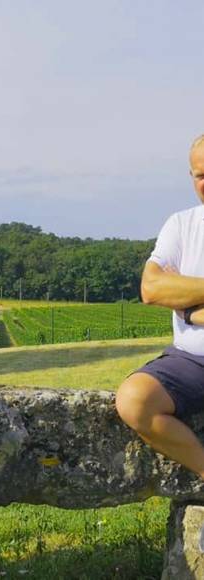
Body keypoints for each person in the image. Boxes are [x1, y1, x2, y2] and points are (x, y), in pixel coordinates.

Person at [116, 135, 204, 479]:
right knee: (135, 400)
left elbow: (167, 291)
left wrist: (187, 306)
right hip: (190, 360)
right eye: (200, 175)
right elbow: (151, 288)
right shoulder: (181, 225)